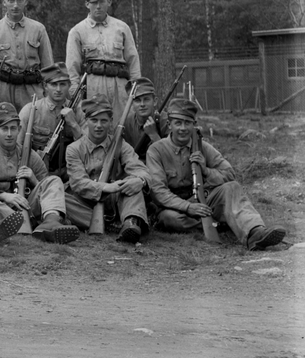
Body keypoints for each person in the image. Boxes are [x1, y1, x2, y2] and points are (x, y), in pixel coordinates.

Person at [145, 99, 287, 250]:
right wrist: (188, 207)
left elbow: (229, 174)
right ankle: (220, 223)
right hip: (174, 206)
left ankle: (254, 232)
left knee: (232, 187)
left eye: (187, 123)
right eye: (178, 123)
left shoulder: (202, 147)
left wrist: (206, 170)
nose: (183, 128)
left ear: (194, 124)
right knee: (169, 218)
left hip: (203, 199)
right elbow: (158, 191)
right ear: (169, 125)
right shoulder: (156, 151)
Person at [0, 103, 79, 244]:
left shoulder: (31, 155)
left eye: (13, 128)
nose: (9, 134)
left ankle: (50, 223)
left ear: (19, 129)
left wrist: (33, 180)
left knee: (54, 180)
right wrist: (4, 196)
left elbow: (48, 191)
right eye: (4, 129)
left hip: (26, 206)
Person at [65, 95, 149, 242]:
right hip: (84, 201)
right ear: (86, 121)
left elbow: (140, 169)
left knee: (133, 184)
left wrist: (140, 180)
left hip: (114, 199)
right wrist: (105, 187)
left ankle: (131, 223)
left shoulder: (121, 145)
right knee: (60, 197)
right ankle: (111, 223)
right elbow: (78, 183)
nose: (99, 125)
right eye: (94, 120)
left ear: (111, 122)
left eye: (104, 121)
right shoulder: (74, 148)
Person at [66, 0, 140, 121]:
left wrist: (135, 91)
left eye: (102, 1)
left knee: (123, 126)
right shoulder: (77, 31)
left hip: (120, 89)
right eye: (94, 3)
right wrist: (77, 99)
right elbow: (72, 69)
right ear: (87, 4)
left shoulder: (122, 28)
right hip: (93, 89)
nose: (98, 6)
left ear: (109, 1)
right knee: (95, 127)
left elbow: (133, 61)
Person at [19, 62, 82, 179]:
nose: (58, 89)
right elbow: (18, 146)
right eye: (54, 84)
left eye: (62, 84)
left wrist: (73, 124)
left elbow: (87, 147)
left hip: (71, 173)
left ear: (69, 85)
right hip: (39, 173)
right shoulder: (31, 110)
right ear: (45, 86)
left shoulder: (78, 110)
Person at [120, 77, 166, 160]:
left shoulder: (164, 121)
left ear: (155, 101)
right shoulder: (125, 123)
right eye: (137, 100)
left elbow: (170, 156)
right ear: (132, 103)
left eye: (146, 99)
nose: (142, 104)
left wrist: (153, 135)